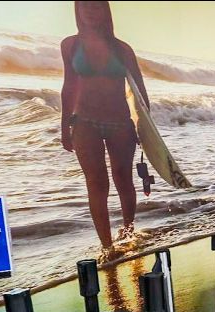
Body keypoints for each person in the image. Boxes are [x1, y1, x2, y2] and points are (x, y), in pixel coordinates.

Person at [61, 1, 150, 256]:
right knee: (96, 183)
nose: (90, 10)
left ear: (105, 10)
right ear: (77, 10)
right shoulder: (70, 45)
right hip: (84, 122)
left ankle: (129, 231)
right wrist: (64, 125)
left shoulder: (122, 49)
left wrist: (144, 128)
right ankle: (107, 246)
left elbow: (140, 91)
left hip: (120, 122)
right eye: (85, 6)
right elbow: (69, 86)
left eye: (96, 6)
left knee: (123, 178)